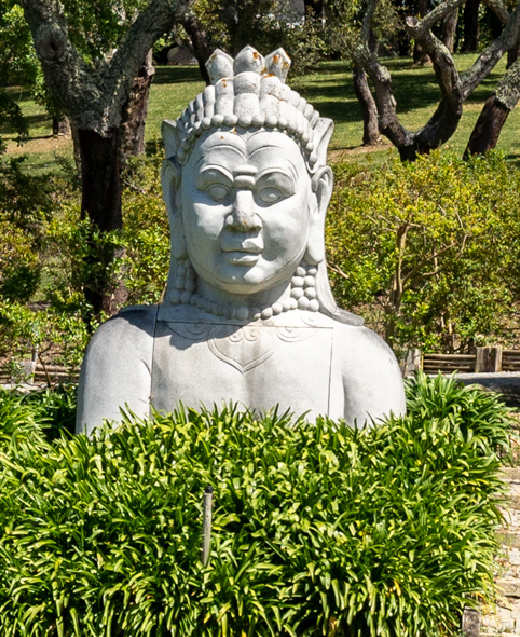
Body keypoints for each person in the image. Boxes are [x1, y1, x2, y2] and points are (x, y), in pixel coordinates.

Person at [77, 47, 404, 432]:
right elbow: (100, 483)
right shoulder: (127, 349)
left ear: (316, 201)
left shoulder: (359, 358)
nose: (243, 218)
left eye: (271, 192)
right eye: (216, 190)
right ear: (174, 199)